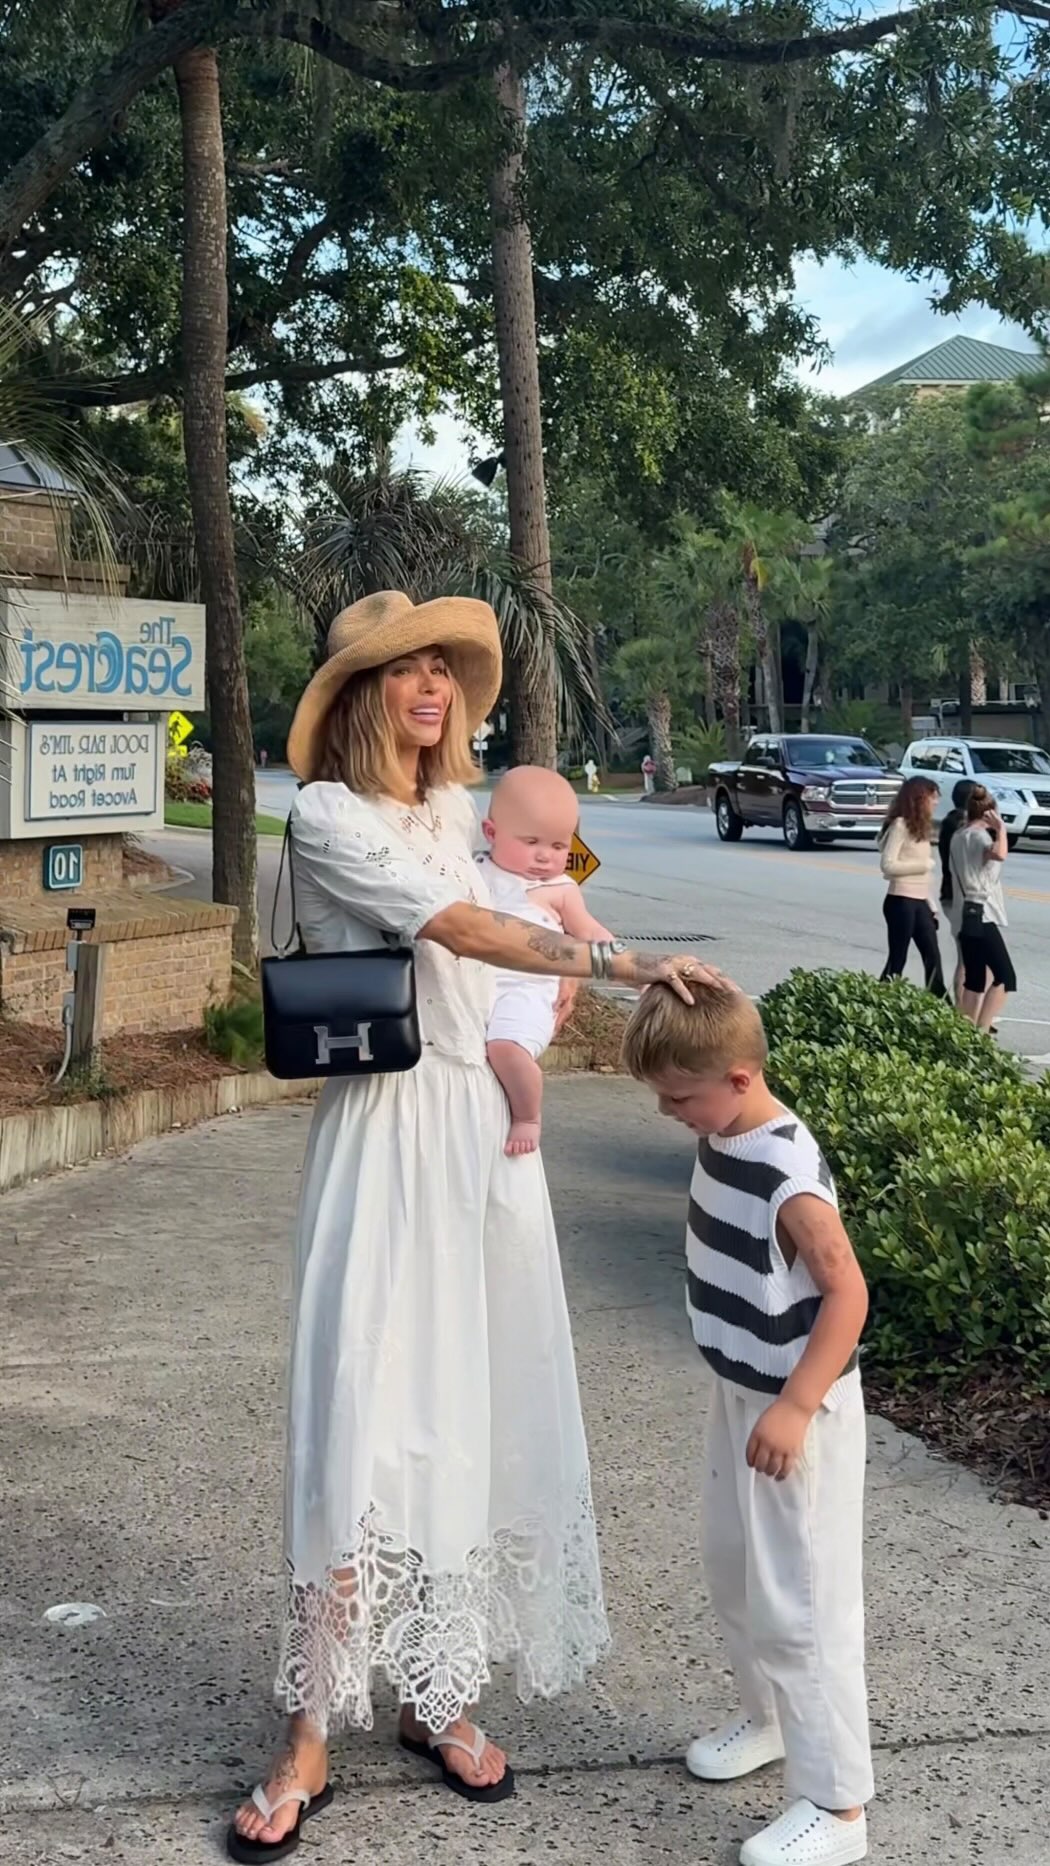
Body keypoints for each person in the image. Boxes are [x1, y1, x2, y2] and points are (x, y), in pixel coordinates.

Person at [229, 590, 719, 1863]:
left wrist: (577, 932)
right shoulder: (328, 816)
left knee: (465, 1409)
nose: (433, 687)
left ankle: (434, 1693)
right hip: (383, 1131)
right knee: (354, 1415)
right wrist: (624, 965)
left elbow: (541, 882)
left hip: (478, 1143)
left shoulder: (459, 809)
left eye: (445, 669)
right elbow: (459, 927)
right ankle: (310, 1729)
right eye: (407, 670)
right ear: (361, 695)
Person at [623, 983, 873, 1866]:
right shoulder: (723, 1131)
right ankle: (768, 1719)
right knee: (734, 1571)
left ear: (738, 1078)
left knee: (803, 1603)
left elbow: (847, 1293)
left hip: (795, 1411)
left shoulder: (785, 1172)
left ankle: (838, 1804)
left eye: (679, 1097)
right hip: (741, 1392)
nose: (669, 1112)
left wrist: (797, 1406)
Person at [479, 765, 613, 1155]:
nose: (544, 856)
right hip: (476, 983)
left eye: (558, 846)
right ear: (491, 833)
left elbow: (589, 931)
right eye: (531, 841)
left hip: (527, 990)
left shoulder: (560, 889)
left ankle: (527, 1116)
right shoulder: (475, 871)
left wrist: (622, 960)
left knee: (505, 1046)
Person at [950, 783, 1016, 1033]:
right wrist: (1001, 830)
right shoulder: (979, 837)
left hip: (965, 912)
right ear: (990, 812)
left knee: (975, 979)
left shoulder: (959, 835)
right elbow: (999, 854)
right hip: (982, 914)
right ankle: (982, 1031)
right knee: (1005, 977)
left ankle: (964, 1032)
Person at [877, 776, 946, 997]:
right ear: (919, 798)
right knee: (898, 958)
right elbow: (888, 865)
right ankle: (879, 1000)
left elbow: (924, 876)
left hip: (920, 901)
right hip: (901, 901)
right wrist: (923, 865)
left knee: (932, 956)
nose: (936, 802)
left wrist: (931, 904)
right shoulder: (900, 825)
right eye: (932, 797)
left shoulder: (922, 828)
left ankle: (940, 1004)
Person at [938, 778, 983, 1008]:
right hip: (960, 896)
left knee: (968, 956)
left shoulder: (951, 821)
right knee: (967, 958)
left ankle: (963, 1008)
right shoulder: (962, 826)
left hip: (951, 892)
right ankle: (961, 1010)